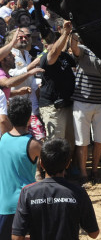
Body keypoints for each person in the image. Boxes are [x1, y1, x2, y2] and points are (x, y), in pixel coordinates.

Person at [11, 139, 100, 240]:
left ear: (42, 164)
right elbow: (94, 233)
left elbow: (17, 237)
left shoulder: (28, 192)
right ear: (67, 164)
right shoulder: (78, 192)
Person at [70, 35, 101, 185]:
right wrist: (72, 34)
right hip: (82, 102)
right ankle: (84, 174)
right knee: (82, 141)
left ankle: (94, 171)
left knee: (100, 140)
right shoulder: (84, 50)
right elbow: (74, 48)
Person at [0, 97, 41, 240]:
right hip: (25, 204)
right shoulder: (34, 144)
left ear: (10, 117)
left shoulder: (3, 139)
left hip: (4, 204)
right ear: (29, 118)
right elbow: (52, 165)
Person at [38, 22, 76, 149]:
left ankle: (67, 168)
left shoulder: (65, 56)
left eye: (57, 39)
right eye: (53, 41)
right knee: (55, 144)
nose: (57, 43)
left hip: (68, 104)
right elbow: (54, 51)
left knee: (70, 142)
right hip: (53, 107)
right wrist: (65, 33)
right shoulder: (45, 57)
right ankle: (52, 169)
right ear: (45, 45)